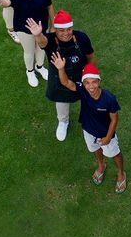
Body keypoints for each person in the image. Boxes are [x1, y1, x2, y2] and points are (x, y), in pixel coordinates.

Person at [52, 56, 127, 194]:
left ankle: (121, 173)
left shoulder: (109, 99)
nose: (90, 86)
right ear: (83, 83)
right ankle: (101, 165)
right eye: (87, 83)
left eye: (93, 82)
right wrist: (61, 68)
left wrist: (108, 137)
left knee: (115, 154)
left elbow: (114, 119)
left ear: (99, 81)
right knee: (95, 150)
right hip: (88, 130)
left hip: (105, 134)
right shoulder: (82, 90)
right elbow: (66, 82)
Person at [27, 10, 94, 141]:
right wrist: (38, 34)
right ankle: (63, 122)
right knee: (62, 102)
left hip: (81, 77)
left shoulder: (81, 37)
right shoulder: (51, 40)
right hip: (59, 80)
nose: (66, 33)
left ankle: (90, 118)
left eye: (69, 29)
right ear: (55, 30)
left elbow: (91, 57)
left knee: (89, 98)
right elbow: (42, 43)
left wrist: (91, 75)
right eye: (61, 30)